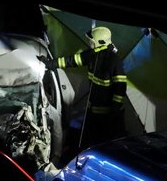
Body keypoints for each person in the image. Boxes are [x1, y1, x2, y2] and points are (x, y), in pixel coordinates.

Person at [38, 26, 128, 154]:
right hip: (93, 111)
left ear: (100, 42)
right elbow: (71, 61)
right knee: (88, 141)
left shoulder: (114, 61)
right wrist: (50, 64)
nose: (89, 43)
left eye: (91, 41)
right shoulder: (92, 55)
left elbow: (120, 88)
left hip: (108, 115)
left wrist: (115, 108)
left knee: (104, 145)